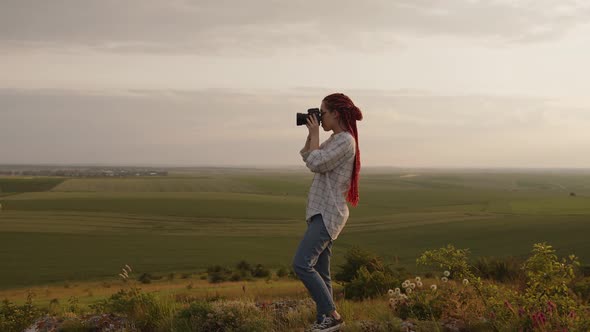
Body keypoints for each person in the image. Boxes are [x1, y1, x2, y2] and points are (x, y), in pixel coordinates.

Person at [293, 93, 362, 332]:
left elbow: (316, 164)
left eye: (322, 113)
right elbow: (307, 156)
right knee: (322, 272)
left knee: (301, 264)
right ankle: (327, 321)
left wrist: (315, 135)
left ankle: (331, 315)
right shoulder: (335, 140)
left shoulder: (345, 141)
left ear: (335, 113)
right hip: (320, 211)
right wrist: (311, 135)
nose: (320, 117)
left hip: (328, 212)